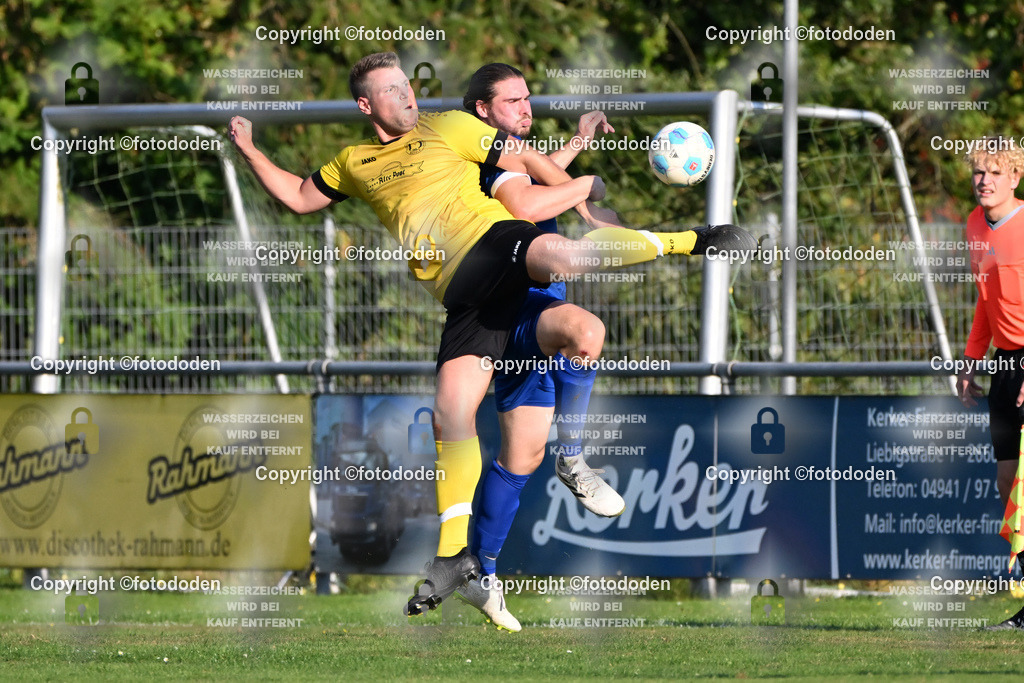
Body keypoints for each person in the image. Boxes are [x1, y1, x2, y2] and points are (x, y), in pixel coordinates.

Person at [228, 51, 754, 618]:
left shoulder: (450, 127)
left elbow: (524, 175)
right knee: (451, 413)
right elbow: (299, 196)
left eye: (409, 86)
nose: (408, 97)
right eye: (393, 91)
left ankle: (692, 241)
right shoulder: (353, 161)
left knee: (569, 278)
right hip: (464, 293)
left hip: (493, 245)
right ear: (366, 105)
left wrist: (580, 184)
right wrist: (252, 150)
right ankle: (458, 559)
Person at [454, 64, 631, 632]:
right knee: (588, 331)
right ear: (483, 111)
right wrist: (586, 190)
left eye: (529, 98)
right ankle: (574, 458)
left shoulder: (512, 154)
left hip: (529, 318)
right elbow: (528, 203)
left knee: (518, 460)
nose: (526, 108)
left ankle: (477, 571)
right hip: (520, 311)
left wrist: (577, 142)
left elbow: (540, 174)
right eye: (512, 101)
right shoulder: (480, 161)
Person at [954, 142, 1024, 630]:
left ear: (1014, 178)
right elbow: (985, 303)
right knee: (1007, 482)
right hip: (1005, 365)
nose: (984, 180)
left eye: (994, 172)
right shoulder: (975, 227)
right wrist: (969, 362)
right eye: (979, 172)